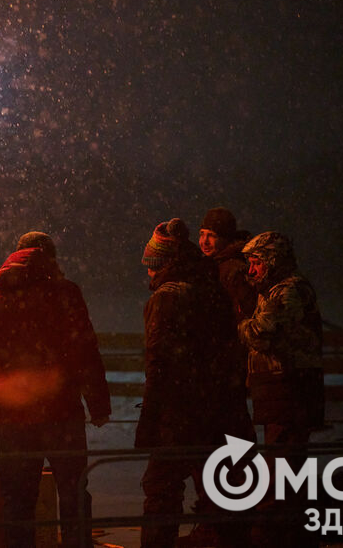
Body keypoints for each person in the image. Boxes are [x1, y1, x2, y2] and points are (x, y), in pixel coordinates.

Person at [0, 231, 111, 548]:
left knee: (17, 498)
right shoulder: (66, 293)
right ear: (51, 258)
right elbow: (86, 352)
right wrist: (98, 404)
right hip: (62, 412)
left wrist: (3, 392)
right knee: (73, 491)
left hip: (12, 418)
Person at [136, 218, 240, 548]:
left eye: (153, 264)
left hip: (178, 411)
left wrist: (150, 418)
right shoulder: (213, 290)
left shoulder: (166, 299)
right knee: (219, 488)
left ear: (166, 264)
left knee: (161, 489)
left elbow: (158, 364)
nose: (148, 271)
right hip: (217, 407)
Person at [238, 232, 324, 547]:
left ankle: (278, 530)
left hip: (289, 387)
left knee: (283, 461)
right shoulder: (274, 291)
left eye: (257, 263)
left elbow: (262, 333)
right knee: (282, 457)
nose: (251, 270)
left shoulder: (288, 291)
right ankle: (286, 528)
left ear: (273, 261)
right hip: (279, 386)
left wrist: (241, 324)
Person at [199, 207, 258, 323]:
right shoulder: (210, 266)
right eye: (202, 234)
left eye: (212, 235)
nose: (204, 241)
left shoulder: (235, 271)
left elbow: (245, 316)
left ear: (226, 239)